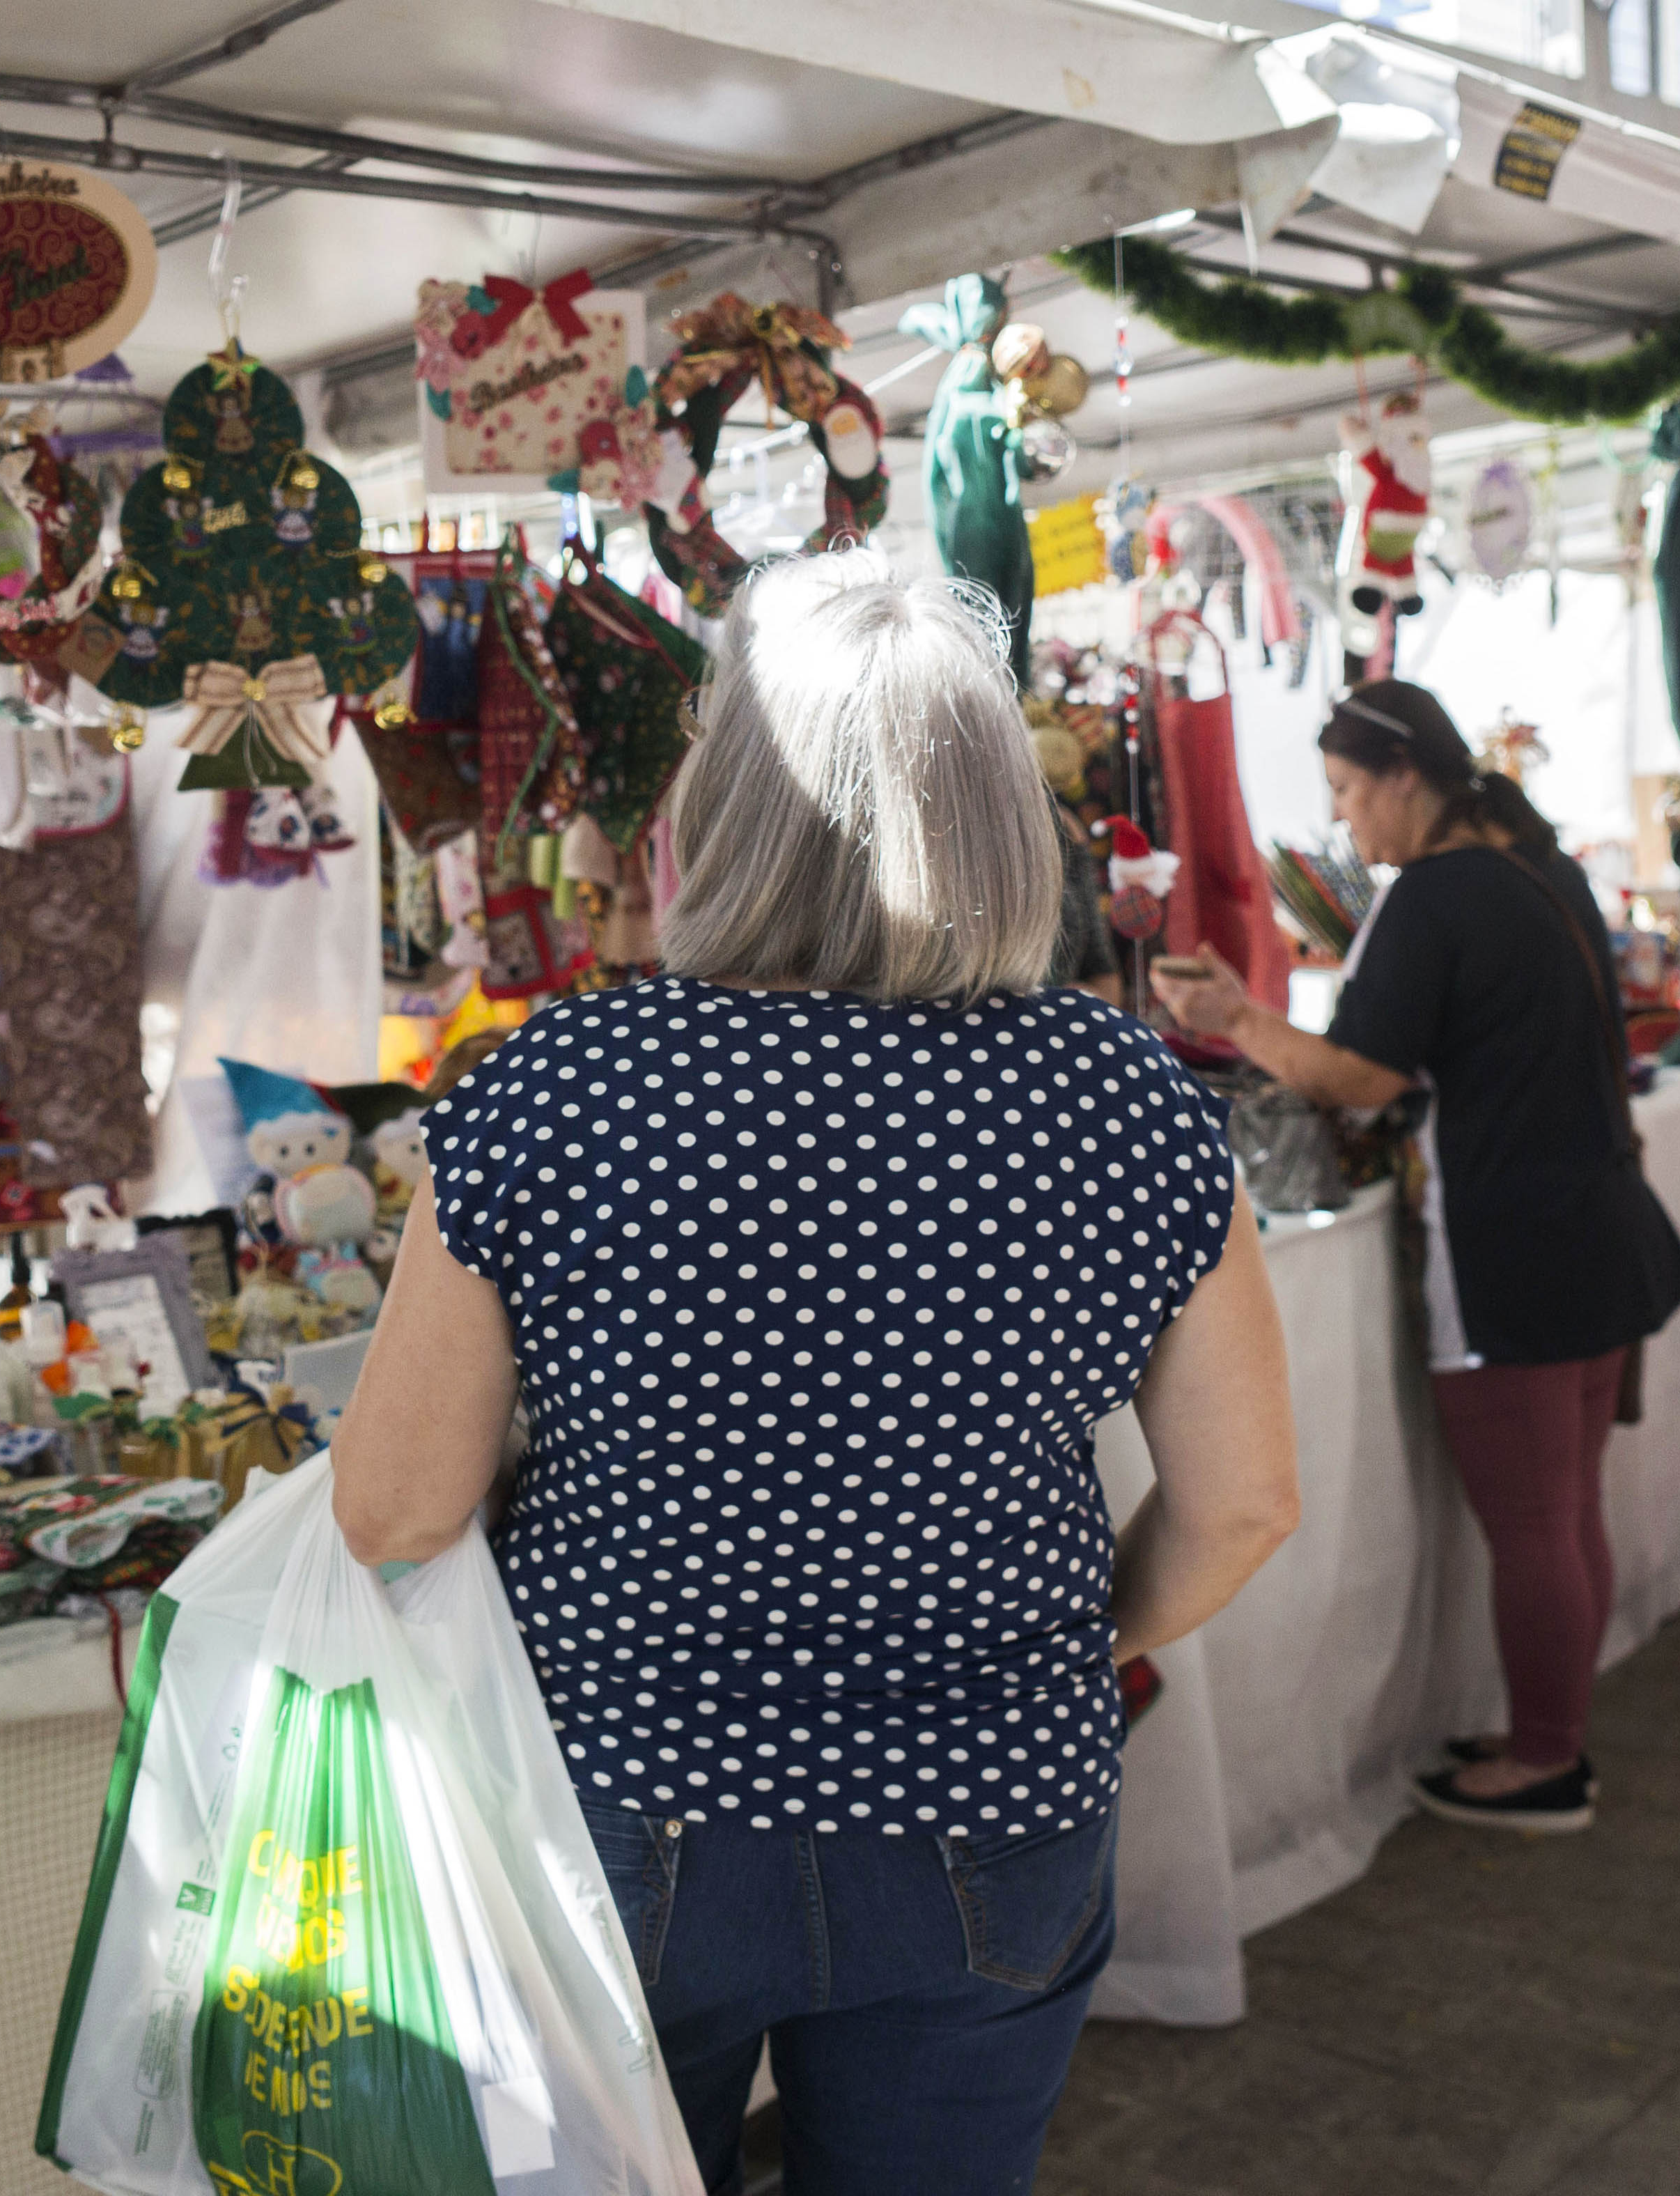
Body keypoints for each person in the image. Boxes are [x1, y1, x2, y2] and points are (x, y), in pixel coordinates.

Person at [332, 550, 1302, 2193]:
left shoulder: (556, 1086)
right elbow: (1245, 1504)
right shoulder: (1127, 1098)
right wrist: (1061, 1650)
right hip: (990, 1799)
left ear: (726, 805)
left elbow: (391, 1509)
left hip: (624, 1799)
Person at [1153, 680, 1680, 1836]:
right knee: (1569, 1507)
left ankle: (1546, 1760)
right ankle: (1553, 1730)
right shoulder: (1542, 869)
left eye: (1349, 791)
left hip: (1511, 1247)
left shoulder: (1434, 896)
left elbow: (1360, 1076)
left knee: (1535, 1522)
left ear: (1405, 778)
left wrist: (1235, 1018)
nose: (1342, 819)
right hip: (1596, 1223)